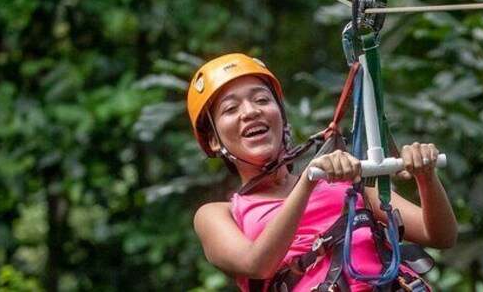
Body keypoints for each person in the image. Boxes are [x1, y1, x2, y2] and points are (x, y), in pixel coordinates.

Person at [186, 53, 457, 291]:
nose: (251, 112)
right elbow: (257, 264)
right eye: (231, 109)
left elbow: (440, 235)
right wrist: (308, 182)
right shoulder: (219, 214)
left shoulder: (348, 183)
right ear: (213, 140)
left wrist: (426, 177)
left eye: (261, 100)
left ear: (281, 116)